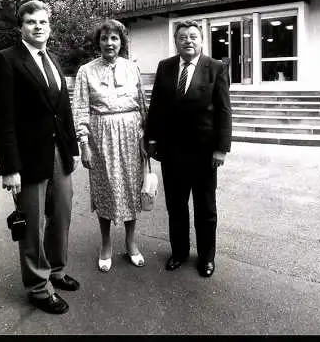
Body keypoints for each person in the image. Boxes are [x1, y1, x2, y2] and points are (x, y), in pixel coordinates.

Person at [0, 0, 80, 315]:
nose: (38, 26)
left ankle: (56, 270)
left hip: (59, 153)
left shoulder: (53, 59)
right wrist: (10, 168)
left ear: (49, 26)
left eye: (42, 21)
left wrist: (74, 150)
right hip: (27, 158)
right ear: (20, 27)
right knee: (33, 225)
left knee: (62, 215)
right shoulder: (6, 60)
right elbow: (3, 120)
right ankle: (39, 288)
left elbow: (63, 111)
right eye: (30, 22)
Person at [144, 20, 232, 278]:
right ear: (176, 41)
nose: (188, 41)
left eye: (193, 36)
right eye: (183, 37)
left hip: (204, 153)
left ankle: (206, 257)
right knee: (176, 206)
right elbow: (157, 107)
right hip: (171, 152)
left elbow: (224, 110)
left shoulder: (215, 68)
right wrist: (151, 140)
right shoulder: (166, 67)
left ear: (202, 40)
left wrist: (221, 149)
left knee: (205, 209)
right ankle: (179, 252)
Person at [72, 19, 147, 273]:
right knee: (104, 189)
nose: (109, 43)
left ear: (121, 42)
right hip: (100, 135)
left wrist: (145, 138)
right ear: (99, 42)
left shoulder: (132, 68)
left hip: (130, 135)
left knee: (130, 188)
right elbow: (81, 109)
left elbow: (143, 105)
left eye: (114, 38)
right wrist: (84, 144)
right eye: (104, 38)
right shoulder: (86, 71)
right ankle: (105, 244)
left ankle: (130, 242)